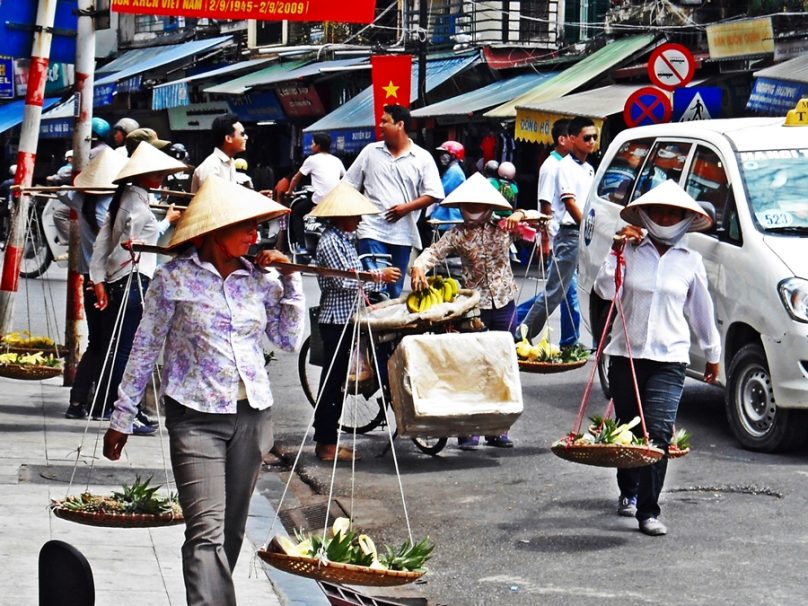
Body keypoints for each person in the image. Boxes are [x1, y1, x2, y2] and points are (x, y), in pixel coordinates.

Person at [103, 175, 302, 606]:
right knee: (205, 531)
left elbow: (287, 340)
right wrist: (122, 416)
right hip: (195, 418)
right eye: (246, 227)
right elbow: (144, 347)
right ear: (215, 231)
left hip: (252, 416)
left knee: (230, 530)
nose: (255, 236)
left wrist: (291, 282)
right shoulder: (172, 279)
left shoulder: (262, 281)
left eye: (257, 227)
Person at [594, 179, 720, 537]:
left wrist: (713, 354)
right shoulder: (631, 251)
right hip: (626, 354)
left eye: (673, 213)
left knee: (658, 433)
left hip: (670, 359)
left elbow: (701, 312)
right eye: (659, 211)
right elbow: (605, 289)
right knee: (629, 428)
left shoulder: (690, 261)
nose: (665, 218)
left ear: (684, 218)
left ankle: (649, 510)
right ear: (646, 215)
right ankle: (628, 491)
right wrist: (615, 250)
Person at [410, 172, 530, 450]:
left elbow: (540, 221)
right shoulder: (456, 235)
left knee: (503, 365)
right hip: (475, 305)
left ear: (488, 207)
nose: (473, 211)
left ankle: (498, 428)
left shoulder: (503, 228)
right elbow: (433, 252)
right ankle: (469, 430)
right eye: (469, 206)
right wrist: (418, 267)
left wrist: (519, 215)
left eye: (479, 205)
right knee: (473, 364)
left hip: (503, 302)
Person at [89, 142, 185, 431]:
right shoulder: (134, 201)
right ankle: (119, 411)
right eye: (157, 173)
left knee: (120, 348)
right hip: (132, 278)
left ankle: (113, 407)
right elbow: (140, 239)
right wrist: (167, 221)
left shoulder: (129, 197)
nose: (161, 178)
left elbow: (103, 242)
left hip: (121, 279)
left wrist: (98, 279)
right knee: (128, 350)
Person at [308, 181, 400, 461]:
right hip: (337, 318)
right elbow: (344, 282)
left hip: (350, 317)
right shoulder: (331, 241)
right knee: (333, 383)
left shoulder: (345, 240)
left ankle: (328, 440)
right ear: (340, 215)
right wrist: (378, 279)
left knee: (338, 381)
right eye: (355, 215)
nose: (359, 220)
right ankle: (326, 443)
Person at [343, 104, 444, 298]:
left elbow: (434, 193)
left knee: (394, 290)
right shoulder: (370, 152)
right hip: (370, 228)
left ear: (400, 124)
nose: (379, 126)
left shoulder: (422, 157)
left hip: (403, 233)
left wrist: (406, 208)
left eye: (384, 121)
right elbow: (348, 185)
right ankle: (371, 325)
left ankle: (385, 327)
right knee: (376, 286)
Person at [518, 116, 597, 342]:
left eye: (594, 137)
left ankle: (569, 341)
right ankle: (520, 333)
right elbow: (566, 203)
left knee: (567, 292)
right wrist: (547, 240)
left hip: (582, 236)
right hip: (570, 234)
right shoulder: (562, 167)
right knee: (556, 292)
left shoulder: (589, 169)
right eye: (587, 137)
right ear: (571, 139)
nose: (592, 142)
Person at [61, 148, 127, 419]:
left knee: (97, 343)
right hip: (106, 281)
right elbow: (117, 247)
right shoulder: (107, 210)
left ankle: (77, 403)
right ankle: (102, 403)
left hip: (90, 277)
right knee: (110, 344)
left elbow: (63, 191)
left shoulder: (80, 199)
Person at [287, 133, 346, 254]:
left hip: (319, 200)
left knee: (296, 212)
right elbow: (345, 178)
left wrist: (289, 192)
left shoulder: (311, 160)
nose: (311, 146)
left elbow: (295, 178)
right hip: (335, 201)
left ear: (318, 146)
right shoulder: (337, 160)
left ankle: (302, 246)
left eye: (312, 143)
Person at [191, 113, 247, 193]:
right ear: (228, 138)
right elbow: (212, 202)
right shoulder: (211, 167)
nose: (246, 137)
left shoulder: (230, 163)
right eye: (242, 134)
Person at [428, 140, 465, 233]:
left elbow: (441, 191)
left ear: (453, 155)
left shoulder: (454, 171)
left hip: (448, 217)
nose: (442, 157)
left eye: (445, 153)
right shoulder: (452, 170)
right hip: (445, 215)